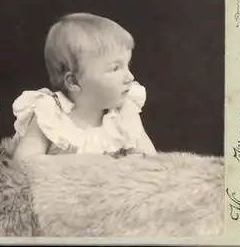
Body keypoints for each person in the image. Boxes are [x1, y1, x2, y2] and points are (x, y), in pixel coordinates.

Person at [12, 13, 156, 161]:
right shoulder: (50, 114)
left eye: (127, 65)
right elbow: (23, 161)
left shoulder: (124, 115)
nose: (130, 77)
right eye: (115, 68)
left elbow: (150, 159)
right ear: (74, 81)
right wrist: (80, 164)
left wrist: (130, 162)